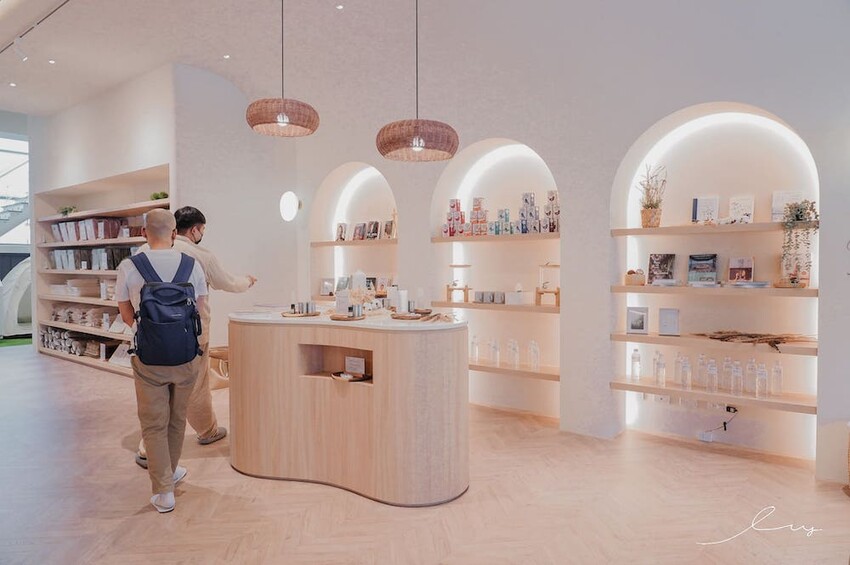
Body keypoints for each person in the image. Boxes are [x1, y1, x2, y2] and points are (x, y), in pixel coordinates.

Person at [135, 206, 257, 468]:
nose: (202, 233)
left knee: (155, 390)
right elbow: (228, 283)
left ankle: (148, 447)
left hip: (151, 334)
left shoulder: (143, 251)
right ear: (194, 230)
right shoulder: (200, 255)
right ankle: (207, 431)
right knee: (196, 387)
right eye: (202, 229)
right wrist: (247, 280)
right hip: (191, 333)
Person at [117, 209, 208, 513]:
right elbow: (199, 310)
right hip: (186, 356)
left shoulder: (129, 266)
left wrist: (149, 331)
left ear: (144, 233)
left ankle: (163, 490)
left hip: (148, 358)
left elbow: (126, 314)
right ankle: (171, 471)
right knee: (177, 418)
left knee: (154, 423)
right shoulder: (192, 264)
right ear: (174, 233)